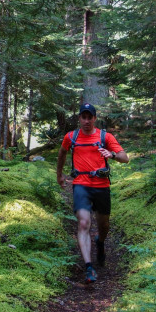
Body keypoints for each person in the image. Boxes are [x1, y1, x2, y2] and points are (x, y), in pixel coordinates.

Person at [56, 104, 129, 284]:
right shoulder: (71, 137)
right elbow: (62, 153)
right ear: (79, 118)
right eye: (84, 117)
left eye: (90, 117)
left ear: (95, 119)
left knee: (103, 225)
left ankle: (100, 242)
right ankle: (89, 267)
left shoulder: (105, 137)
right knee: (83, 223)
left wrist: (111, 155)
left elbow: (125, 158)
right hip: (80, 184)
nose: (87, 121)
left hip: (102, 185)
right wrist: (59, 175)